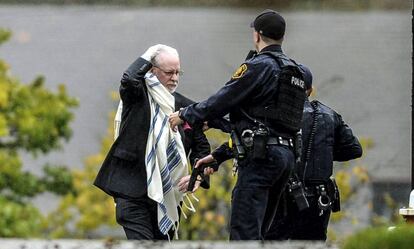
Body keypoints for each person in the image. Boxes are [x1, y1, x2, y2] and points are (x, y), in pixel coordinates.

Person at [169, 10, 312, 240]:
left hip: (260, 160)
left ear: (257, 35)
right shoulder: (295, 71)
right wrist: (219, 156)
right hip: (285, 159)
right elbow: (265, 121)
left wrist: (186, 114)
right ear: (282, 37)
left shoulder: (259, 66)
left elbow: (223, 99)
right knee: (260, 234)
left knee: (244, 235)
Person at [94, 44, 211, 240]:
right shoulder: (137, 95)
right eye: (168, 72)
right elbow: (129, 78)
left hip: (169, 196)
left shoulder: (186, 108)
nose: (174, 78)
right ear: (152, 71)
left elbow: (202, 147)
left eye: (177, 72)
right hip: (132, 192)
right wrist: (152, 51)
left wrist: (198, 176)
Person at [265, 67, 363, 241]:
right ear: (310, 90)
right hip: (319, 201)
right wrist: (324, 151)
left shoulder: (273, 115)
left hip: (283, 199)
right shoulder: (330, 115)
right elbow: (354, 149)